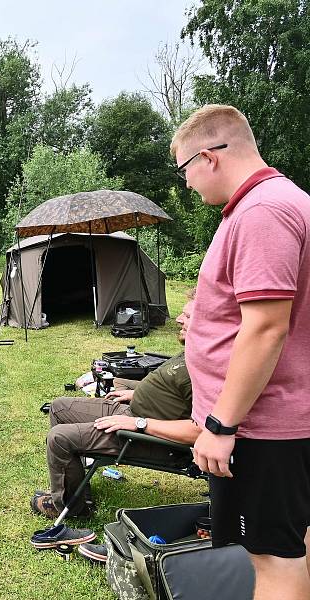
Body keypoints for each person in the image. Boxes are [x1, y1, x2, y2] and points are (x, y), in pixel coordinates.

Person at [172, 104, 310, 599]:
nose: (186, 184)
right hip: (277, 420)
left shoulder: (262, 211)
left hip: (260, 427)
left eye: (184, 170)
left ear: (208, 156)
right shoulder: (277, 202)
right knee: (293, 545)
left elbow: (268, 328)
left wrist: (221, 425)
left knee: (272, 562)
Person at [31, 294, 198, 520]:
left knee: (59, 438)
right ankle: (75, 489)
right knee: (59, 407)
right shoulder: (194, 348)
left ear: (208, 321)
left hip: (145, 437)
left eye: (187, 315)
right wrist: (136, 393)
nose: (178, 319)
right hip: (131, 413)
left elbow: (199, 432)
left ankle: (72, 509)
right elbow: (170, 389)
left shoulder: (208, 368)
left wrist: (138, 424)